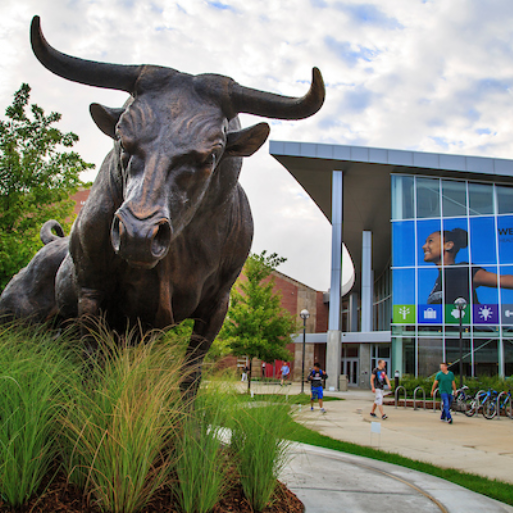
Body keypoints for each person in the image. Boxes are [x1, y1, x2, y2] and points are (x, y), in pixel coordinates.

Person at [423, 228, 513, 304]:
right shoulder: (440, 279)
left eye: (430, 241)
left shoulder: (461, 270)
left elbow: (501, 280)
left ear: (448, 245)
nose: (424, 246)